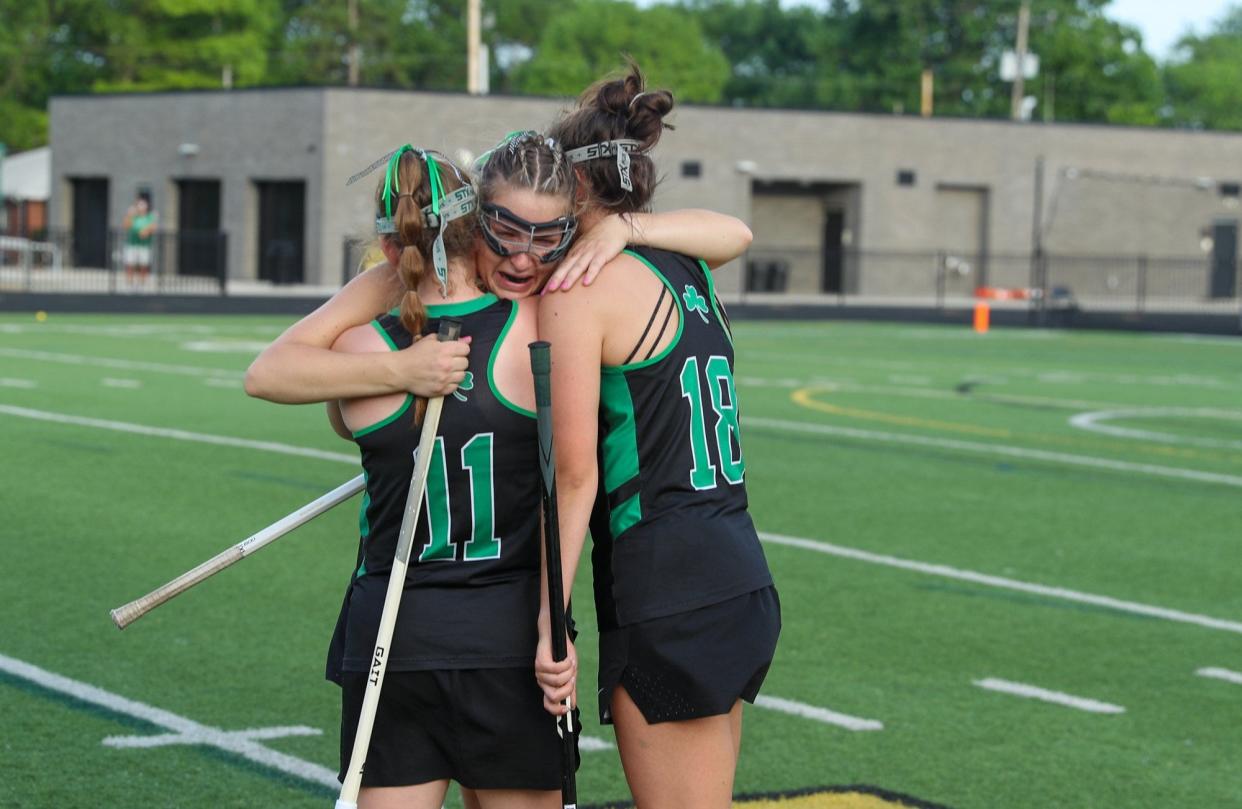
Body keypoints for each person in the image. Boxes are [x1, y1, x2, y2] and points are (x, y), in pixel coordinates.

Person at [535, 64, 780, 809]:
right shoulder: (690, 266)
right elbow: (733, 231)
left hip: (666, 581)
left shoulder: (581, 287)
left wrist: (551, 616)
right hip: (736, 569)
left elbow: (574, 476)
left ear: (577, 190)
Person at [323, 143, 562, 809]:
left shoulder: (353, 347)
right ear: (476, 224)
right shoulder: (536, 326)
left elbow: (342, 422)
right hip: (504, 639)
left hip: (392, 634)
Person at [122, 193, 157, 286]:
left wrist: (146, 230)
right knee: (130, 264)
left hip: (145, 245)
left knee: (144, 264)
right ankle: (129, 283)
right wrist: (129, 215)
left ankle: (142, 283)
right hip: (132, 243)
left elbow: (153, 227)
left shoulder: (150, 216)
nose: (141, 208)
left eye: (142, 206)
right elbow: (126, 226)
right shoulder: (133, 216)